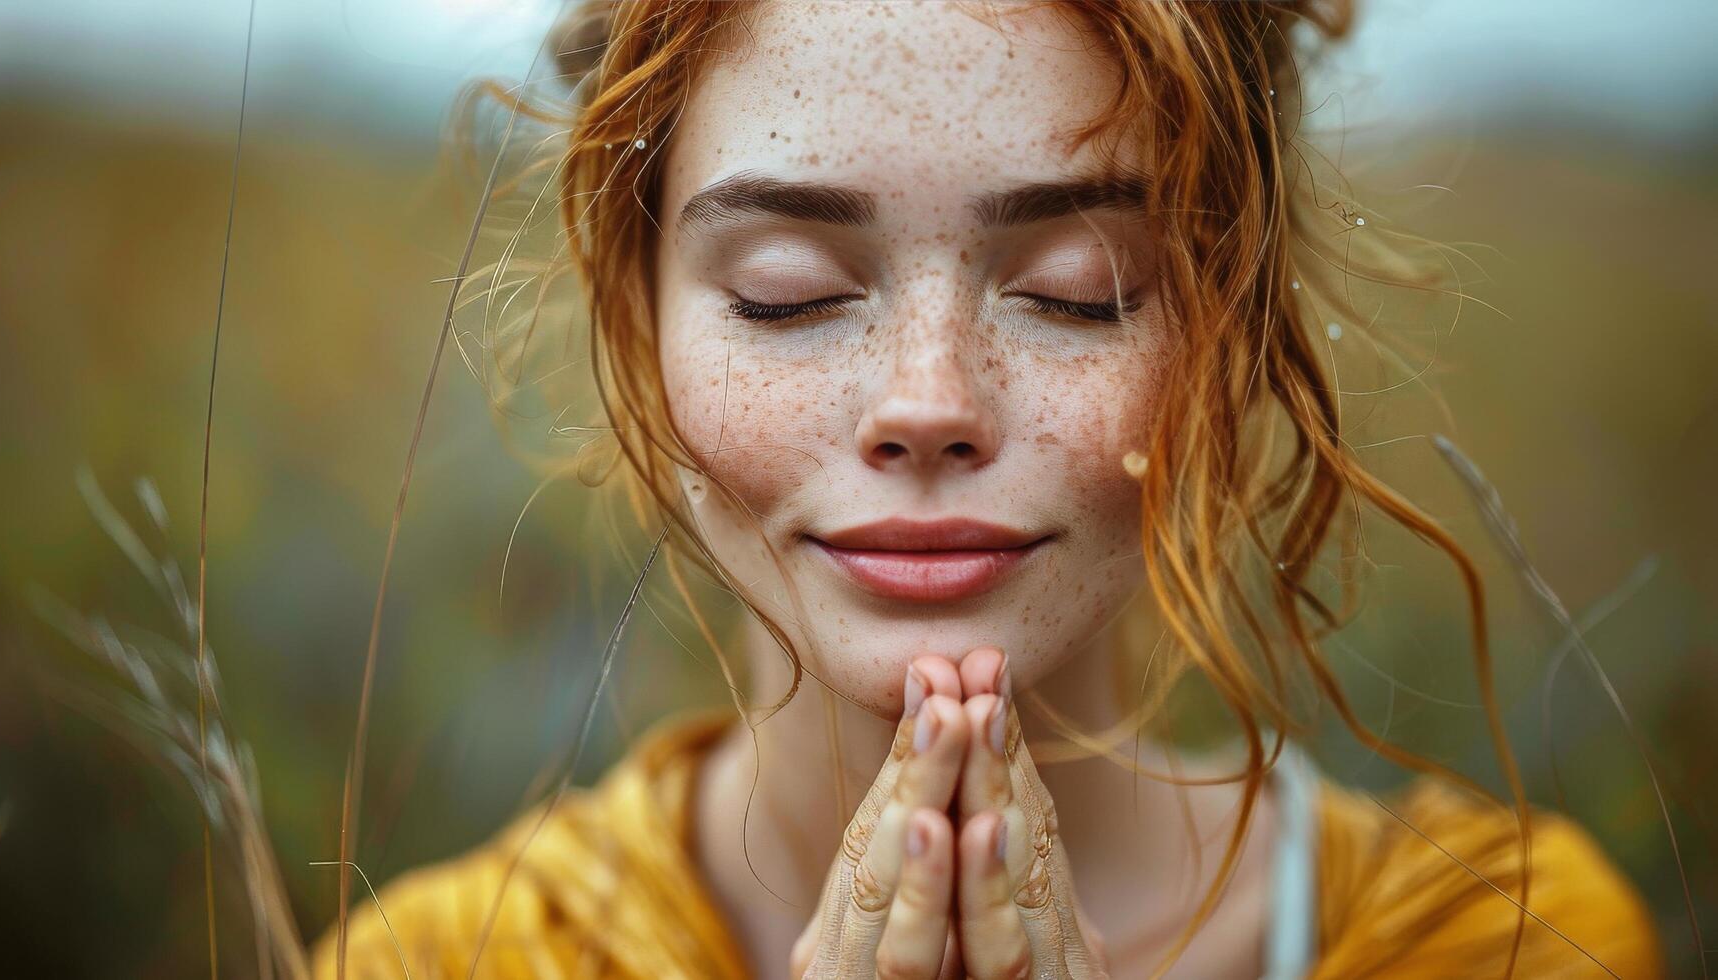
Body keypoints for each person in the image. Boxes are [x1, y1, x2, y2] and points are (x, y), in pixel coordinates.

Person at [314, 1, 1662, 976]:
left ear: (1230, 330)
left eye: (1083, 293)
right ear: (638, 316)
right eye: (789, 296)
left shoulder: (1502, 944)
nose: (929, 404)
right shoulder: (447, 960)